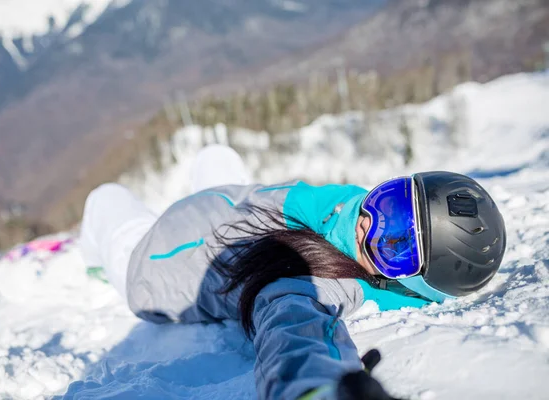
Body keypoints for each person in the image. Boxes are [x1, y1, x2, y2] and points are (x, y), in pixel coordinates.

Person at [79, 145, 506, 400]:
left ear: (406, 282)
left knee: (104, 196)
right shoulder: (349, 213)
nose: (369, 223)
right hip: (225, 207)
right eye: (390, 202)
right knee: (216, 154)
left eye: (396, 245)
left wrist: (319, 392)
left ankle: (95, 262)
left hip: (153, 260)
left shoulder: (309, 280)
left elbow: (294, 334)